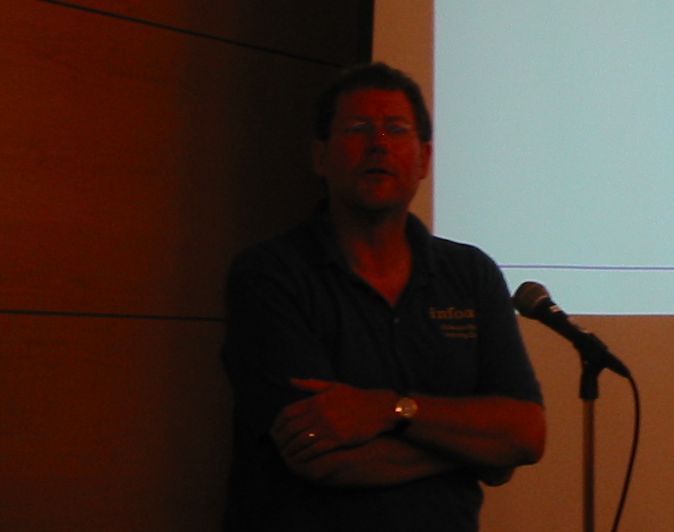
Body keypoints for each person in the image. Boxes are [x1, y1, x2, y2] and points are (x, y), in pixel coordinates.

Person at [222, 63, 545, 531]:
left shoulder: (471, 273)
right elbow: (327, 459)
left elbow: (527, 432)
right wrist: (480, 452)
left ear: (424, 159)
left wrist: (388, 410)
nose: (378, 144)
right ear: (320, 157)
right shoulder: (269, 274)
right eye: (357, 128)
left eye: (396, 129)